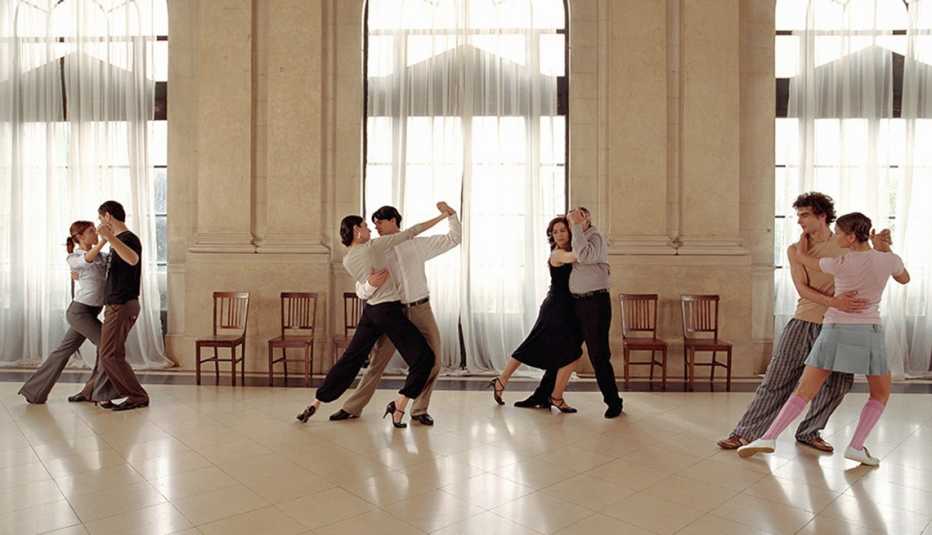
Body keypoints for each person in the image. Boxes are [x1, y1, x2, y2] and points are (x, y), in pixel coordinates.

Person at [738, 213, 910, 466]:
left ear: (850, 238)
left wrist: (801, 242)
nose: (835, 237)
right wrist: (884, 249)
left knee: (804, 391)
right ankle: (856, 446)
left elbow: (802, 258)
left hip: (833, 330)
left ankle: (768, 437)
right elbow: (904, 278)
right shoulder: (889, 260)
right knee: (880, 393)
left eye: (839, 233)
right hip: (868, 332)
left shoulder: (838, 263)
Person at [717, 193, 884, 453]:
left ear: (822, 216)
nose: (799, 221)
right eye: (798, 215)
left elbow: (872, 268)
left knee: (839, 384)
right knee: (777, 380)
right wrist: (834, 302)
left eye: (804, 215)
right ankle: (743, 434)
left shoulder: (847, 244)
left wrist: (882, 248)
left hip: (842, 327)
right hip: (804, 321)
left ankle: (809, 431)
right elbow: (802, 288)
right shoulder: (795, 250)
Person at [297, 202, 453, 429]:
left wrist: (369, 285)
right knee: (424, 358)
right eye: (366, 226)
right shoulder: (375, 246)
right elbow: (413, 230)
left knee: (351, 358)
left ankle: (316, 401)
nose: (371, 228)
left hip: (371, 311)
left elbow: (363, 288)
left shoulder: (348, 259)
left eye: (376, 223)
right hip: (389, 311)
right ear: (356, 231)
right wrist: (442, 216)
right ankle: (399, 405)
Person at [515, 207, 624, 418]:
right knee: (564, 349)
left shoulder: (595, 236)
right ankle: (542, 395)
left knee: (599, 354)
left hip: (595, 303)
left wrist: (576, 226)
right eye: (571, 217)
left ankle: (614, 402)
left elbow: (583, 256)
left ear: (587, 218)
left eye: (578, 215)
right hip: (577, 304)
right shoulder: (577, 238)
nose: (573, 220)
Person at [19, 221, 120, 405]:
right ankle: (102, 395)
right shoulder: (74, 257)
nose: (95, 233)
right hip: (79, 312)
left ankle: (35, 393)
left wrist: (111, 234)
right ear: (79, 237)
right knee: (107, 345)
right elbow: (87, 259)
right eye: (91, 231)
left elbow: (112, 262)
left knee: (63, 351)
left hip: (92, 312)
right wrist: (104, 240)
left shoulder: (102, 256)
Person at [487, 216, 582, 413]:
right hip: (555, 308)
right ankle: (552, 396)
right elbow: (578, 256)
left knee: (555, 349)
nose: (559, 235)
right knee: (537, 345)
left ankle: (537, 392)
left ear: (569, 232)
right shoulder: (558, 254)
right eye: (555, 232)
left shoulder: (568, 250)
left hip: (566, 309)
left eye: (563, 230)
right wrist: (582, 229)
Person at [96, 200, 149, 411]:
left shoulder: (128, 239)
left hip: (122, 304)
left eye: (100, 218)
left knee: (109, 355)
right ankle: (95, 393)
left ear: (108, 216)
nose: (100, 222)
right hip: (117, 305)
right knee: (111, 353)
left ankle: (137, 396)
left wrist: (109, 238)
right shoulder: (117, 241)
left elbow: (133, 259)